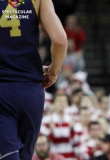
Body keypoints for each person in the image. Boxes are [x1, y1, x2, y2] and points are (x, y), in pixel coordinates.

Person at [0, 0, 67, 159]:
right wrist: (53, 71)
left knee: (8, 155)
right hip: (31, 91)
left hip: (2, 90)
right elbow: (60, 40)